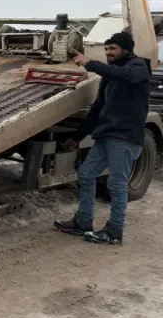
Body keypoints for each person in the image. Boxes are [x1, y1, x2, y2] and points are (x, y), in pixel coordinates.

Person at [54, 31, 151, 245]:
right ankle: (84, 222)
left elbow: (126, 76)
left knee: (116, 185)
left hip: (124, 137)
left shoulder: (138, 67)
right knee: (86, 174)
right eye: (106, 49)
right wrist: (77, 138)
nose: (108, 52)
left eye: (113, 49)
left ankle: (114, 232)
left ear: (126, 50)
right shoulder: (111, 75)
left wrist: (90, 63)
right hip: (106, 135)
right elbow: (97, 110)